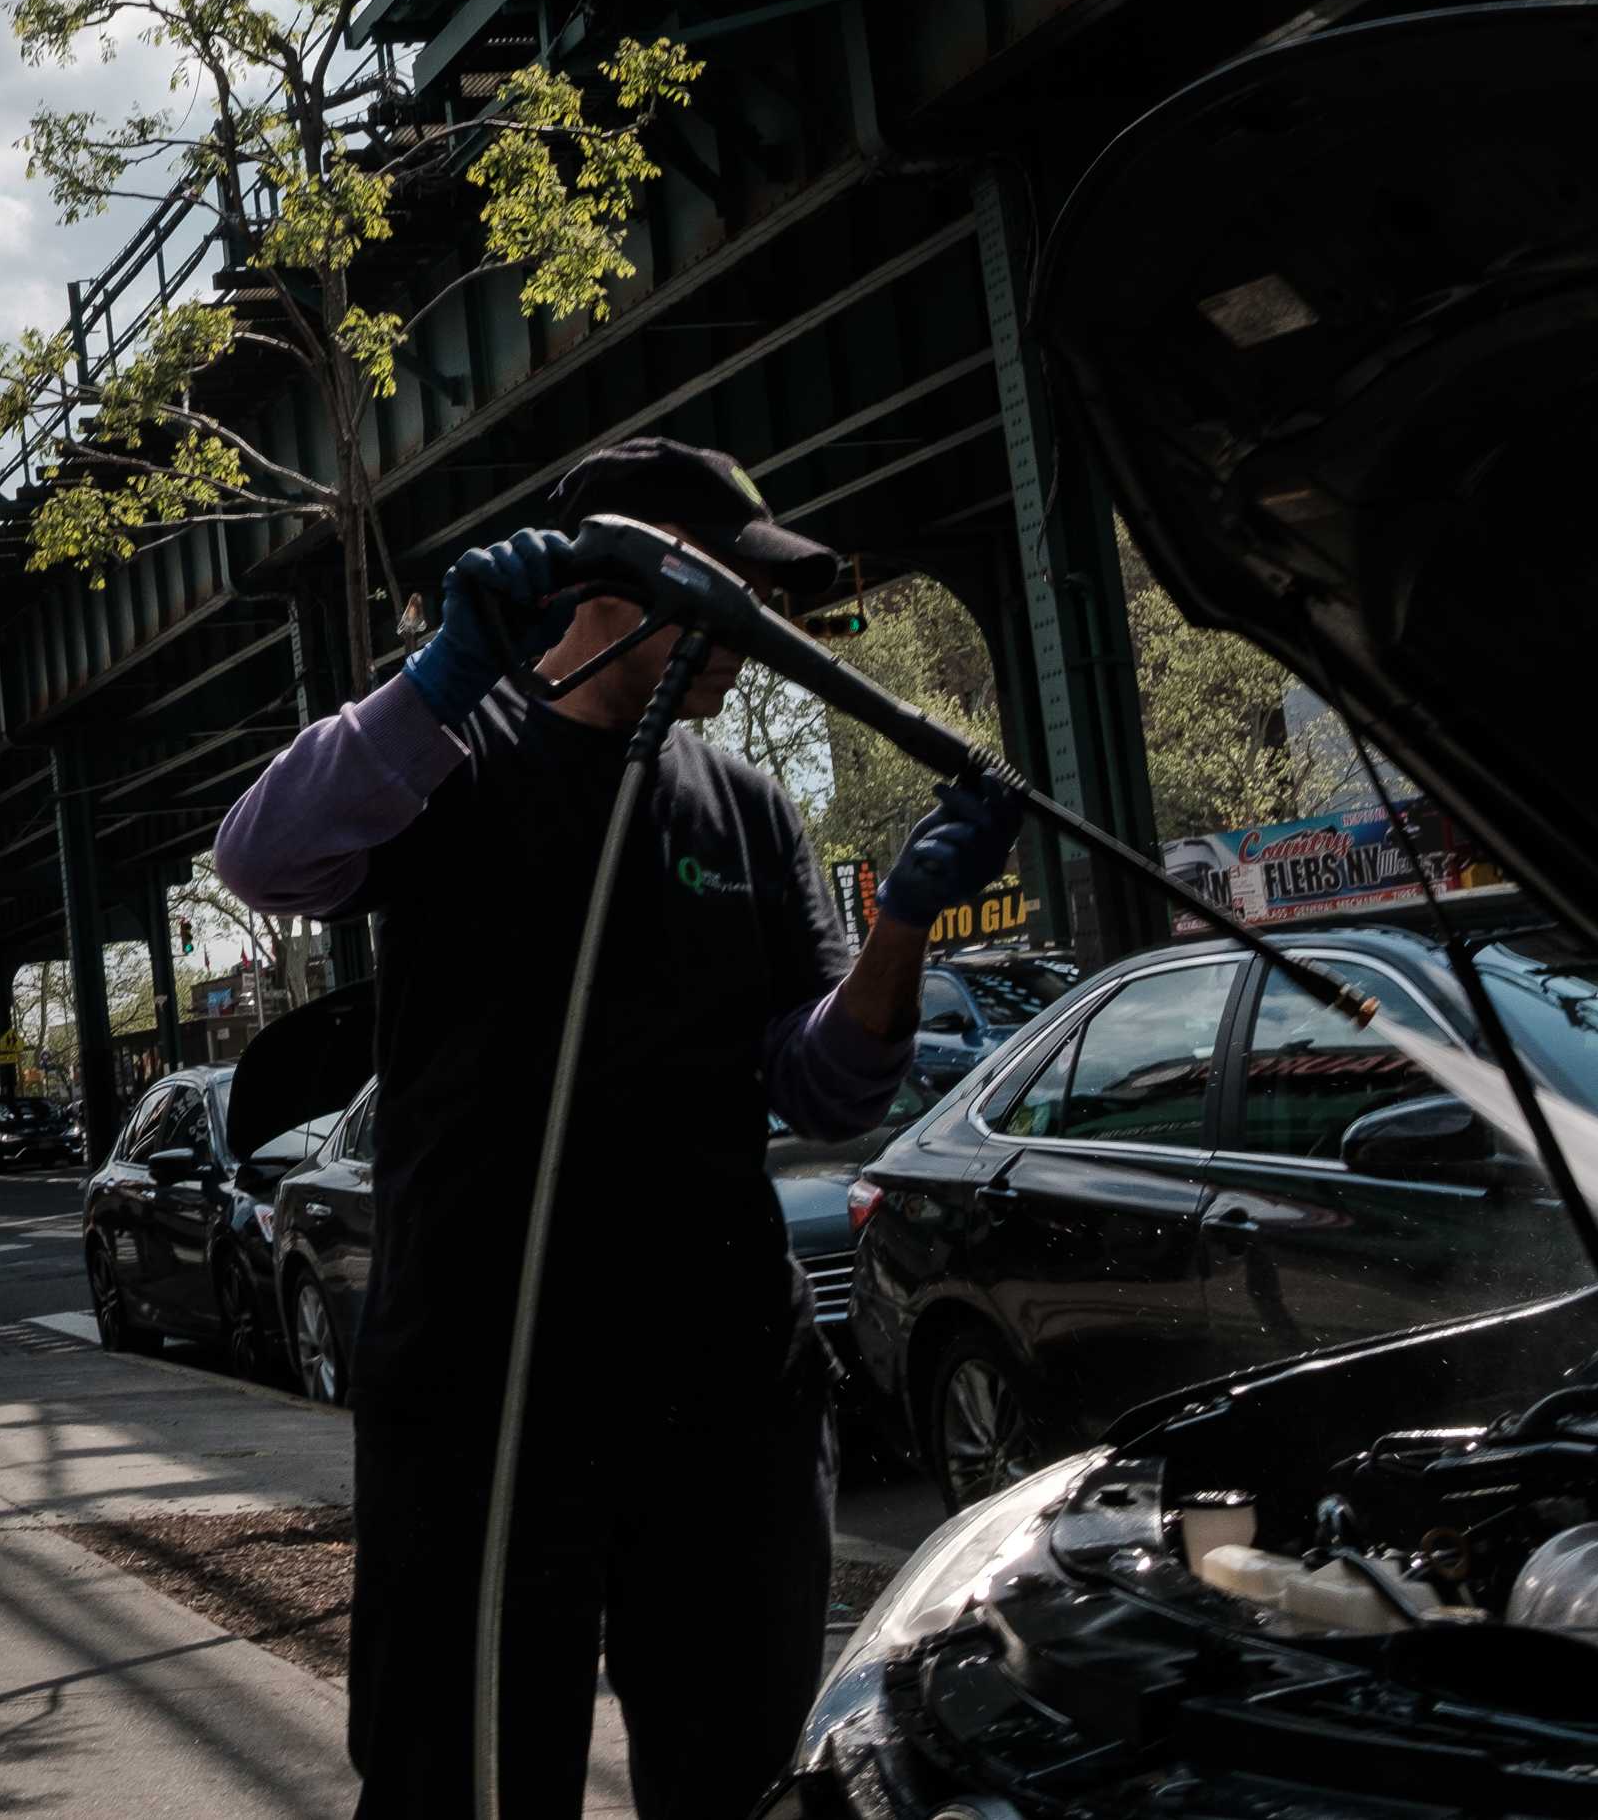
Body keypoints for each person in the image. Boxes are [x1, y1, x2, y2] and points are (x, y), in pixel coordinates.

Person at [212, 438, 1021, 1820]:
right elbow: (262, 856)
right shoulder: (450, 758)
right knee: (460, 1776)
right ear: (620, 583)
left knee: (739, 1775)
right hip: (492, 1383)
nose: (752, 641)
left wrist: (901, 927)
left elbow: (824, 1083)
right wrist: (435, 679)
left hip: (719, 1388)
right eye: (729, 598)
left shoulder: (746, 807)